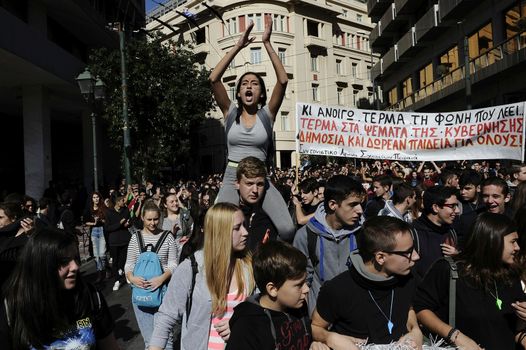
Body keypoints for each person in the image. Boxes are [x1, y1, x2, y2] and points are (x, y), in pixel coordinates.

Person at [209, 15, 295, 240]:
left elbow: (283, 80)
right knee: (219, 229)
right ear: (238, 92)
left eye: (254, 83)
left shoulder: (268, 115)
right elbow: (214, 79)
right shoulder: (230, 113)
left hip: (260, 177)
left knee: (287, 229)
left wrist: (267, 43)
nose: (249, 86)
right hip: (231, 176)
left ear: (260, 93)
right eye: (244, 83)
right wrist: (239, 45)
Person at [149, 203, 255, 350]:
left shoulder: (249, 266)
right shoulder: (191, 268)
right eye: (237, 228)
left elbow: (261, 312)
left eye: (244, 225)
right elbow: (166, 317)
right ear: (219, 232)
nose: (245, 232)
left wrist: (241, 325)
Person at [414, 213, 526, 350]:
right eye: (512, 242)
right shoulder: (448, 270)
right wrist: (454, 335)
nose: (517, 247)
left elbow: (514, 328)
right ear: (492, 240)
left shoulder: (511, 275)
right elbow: (420, 308)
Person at [311, 216, 422, 349]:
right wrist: (330, 337)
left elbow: (407, 308)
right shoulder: (338, 288)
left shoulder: (408, 276)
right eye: (408, 252)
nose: (416, 256)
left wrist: (415, 329)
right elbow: (315, 326)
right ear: (380, 257)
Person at [0, 227, 118, 349]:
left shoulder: (90, 296)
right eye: (64, 261)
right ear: (41, 265)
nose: (75, 267)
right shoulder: (12, 307)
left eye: (76, 258)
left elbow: (110, 345)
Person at [227, 241, 328, 350]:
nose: (306, 289)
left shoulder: (298, 306)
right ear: (273, 289)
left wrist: (312, 345)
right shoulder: (248, 327)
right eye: (299, 285)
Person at [293, 175, 365, 315]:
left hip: (355, 317)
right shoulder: (307, 235)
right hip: (319, 319)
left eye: (360, 204)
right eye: (352, 204)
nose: (360, 210)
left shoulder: (364, 233)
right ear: (333, 205)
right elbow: (300, 281)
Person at [125, 201, 178, 350]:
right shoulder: (135, 238)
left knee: (166, 339)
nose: (153, 223)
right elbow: (129, 264)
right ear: (142, 217)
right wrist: (132, 278)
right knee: (149, 340)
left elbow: (174, 264)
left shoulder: (167, 237)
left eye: (155, 219)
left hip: (164, 291)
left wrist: (161, 279)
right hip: (141, 292)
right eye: (149, 219)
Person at [412, 185, 460, 280]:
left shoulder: (451, 231)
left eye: (457, 206)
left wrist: (457, 256)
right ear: (435, 207)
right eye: (452, 206)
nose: (457, 211)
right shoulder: (412, 233)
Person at [235, 156, 280, 251]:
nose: (255, 190)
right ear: (237, 184)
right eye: (249, 184)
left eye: (260, 184)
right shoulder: (231, 217)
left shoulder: (272, 218)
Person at [104, 195, 131, 292]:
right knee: (115, 261)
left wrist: (128, 224)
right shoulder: (109, 212)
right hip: (114, 241)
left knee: (124, 258)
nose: (124, 202)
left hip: (125, 239)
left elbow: (129, 220)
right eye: (123, 200)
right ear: (118, 202)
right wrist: (119, 223)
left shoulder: (126, 210)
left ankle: (124, 272)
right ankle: (117, 280)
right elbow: (107, 228)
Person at [83, 192, 108, 282]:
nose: (96, 199)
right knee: (96, 256)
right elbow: (85, 221)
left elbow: (107, 220)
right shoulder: (89, 209)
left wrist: (101, 220)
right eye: (94, 197)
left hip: (102, 230)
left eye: (97, 197)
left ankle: (105, 269)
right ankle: (100, 273)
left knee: (102, 254)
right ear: (92, 199)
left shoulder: (103, 208)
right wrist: (93, 223)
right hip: (94, 231)